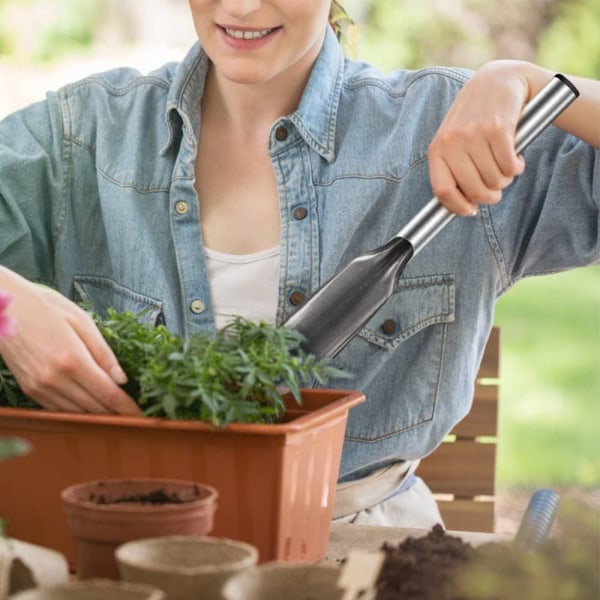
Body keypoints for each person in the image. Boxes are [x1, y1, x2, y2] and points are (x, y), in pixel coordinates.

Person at [0, 0, 598, 528]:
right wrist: (8, 305)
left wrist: (533, 82)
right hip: (132, 546)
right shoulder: (85, 138)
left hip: (365, 545)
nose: (241, 5)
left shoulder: (447, 127)